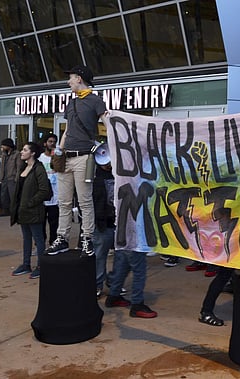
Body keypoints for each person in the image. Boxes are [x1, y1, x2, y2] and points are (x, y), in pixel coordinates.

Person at [44, 65, 107, 257]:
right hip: (67, 157)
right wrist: (59, 152)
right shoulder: (71, 103)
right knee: (63, 201)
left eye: (71, 78)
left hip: (85, 158)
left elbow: (108, 124)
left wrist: (110, 149)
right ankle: (62, 238)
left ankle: (87, 238)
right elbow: (68, 129)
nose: (68, 81)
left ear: (79, 78)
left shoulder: (96, 101)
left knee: (84, 201)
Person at [10, 142, 52, 279]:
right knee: (26, 238)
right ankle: (26, 264)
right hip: (22, 211)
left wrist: (30, 203)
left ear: (32, 153)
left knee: (38, 239)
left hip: (33, 211)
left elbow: (44, 190)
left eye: (25, 150)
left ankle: (41, 266)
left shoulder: (38, 169)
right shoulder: (24, 166)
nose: (22, 152)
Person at [104, 248, 158, 318]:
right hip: (136, 245)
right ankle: (137, 304)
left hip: (122, 243)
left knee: (121, 267)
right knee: (139, 273)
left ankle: (113, 296)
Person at [92, 154, 116, 298]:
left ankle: (113, 281)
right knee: (100, 255)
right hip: (102, 222)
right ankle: (97, 284)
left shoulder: (117, 174)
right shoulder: (95, 178)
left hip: (116, 220)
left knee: (121, 256)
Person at [38, 134, 59, 245]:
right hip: (43, 195)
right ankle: (40, 244)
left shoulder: (58, 157)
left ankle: (53, 243)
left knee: (54, 223)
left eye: (54, 141)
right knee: (41, 223)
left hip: (55, 195)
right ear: (45, 143)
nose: (52, 144)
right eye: (50, 141)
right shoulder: (40, 158)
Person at [0, 138, 21, 217]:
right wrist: (0, 177)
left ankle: (15, 211)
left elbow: (19, 167)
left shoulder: (17, 154)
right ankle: (5, 210)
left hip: (12, 178)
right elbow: (0, 166)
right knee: (4, 196)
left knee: (13, 196)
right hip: (4, 177)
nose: (2, 147)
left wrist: (17, 178)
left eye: (4, 145)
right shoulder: (4, 154)